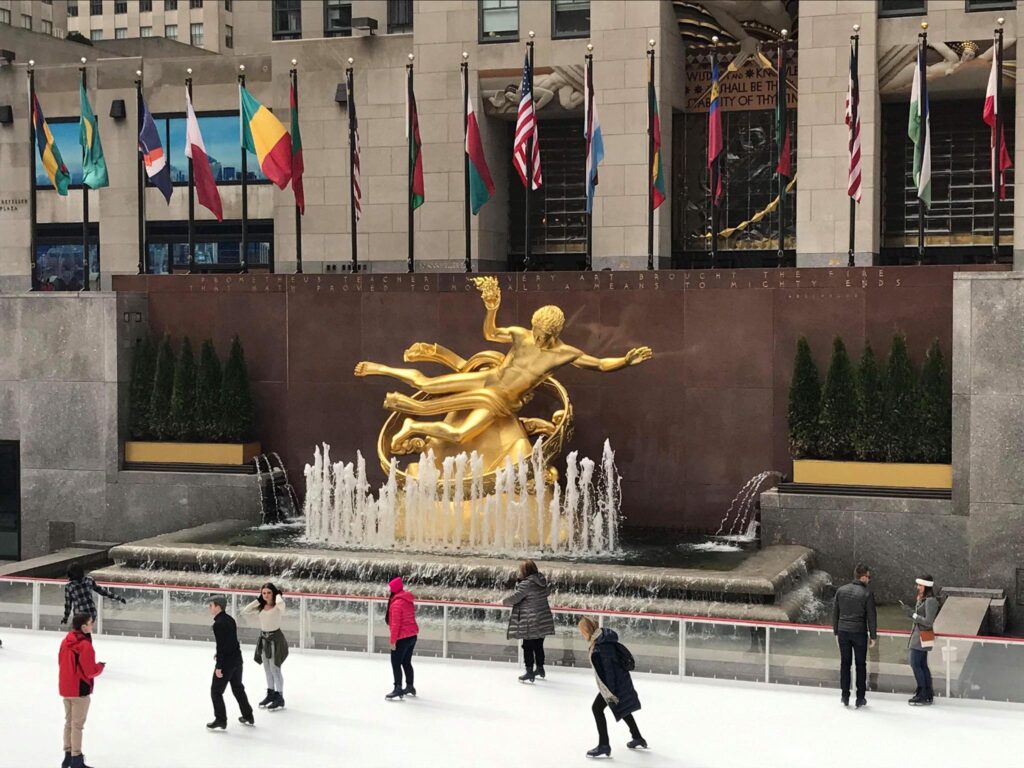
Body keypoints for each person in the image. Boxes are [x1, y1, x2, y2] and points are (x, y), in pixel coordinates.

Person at [578, 617, 647, 759]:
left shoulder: (600, 647)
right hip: (618, 681)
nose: (581, 634)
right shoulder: (601, 639)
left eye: (582, 631)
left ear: (586, 631)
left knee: (597, 709)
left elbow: (608, 670)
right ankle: (637, 737)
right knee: (622, 708)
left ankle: (604, 745)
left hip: (613, 684)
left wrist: (611, 692)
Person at [58, 613, 105, 768]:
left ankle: (68, 756)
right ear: (84, 626)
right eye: (90, 623)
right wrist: (100, 667)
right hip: (80, 689)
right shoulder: (84, 645)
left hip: (66, 687)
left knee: (69, 723)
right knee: (77, 725)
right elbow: (90, 671)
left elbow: (61, 662)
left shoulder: (66, 641)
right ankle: (76, 758)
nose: (92, 625)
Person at [832, 563, 878, 708]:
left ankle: (845, 696)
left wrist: (836, 632)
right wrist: (873, 635)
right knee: (860, 665)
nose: (869, 580)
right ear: (863, 577)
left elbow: (835, 613)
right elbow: (872, 617)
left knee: (845, 664)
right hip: (859, 632)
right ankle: (860, 698)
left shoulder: (841, 590)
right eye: (869, 577)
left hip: (843, 632)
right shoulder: (867, 593)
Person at [502, 559, 555, 682]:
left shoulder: (527, 584)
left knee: (527, 646)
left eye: (521, 570)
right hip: (542, 619)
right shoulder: (541, 581)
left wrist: (503, 602)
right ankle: (540, 669)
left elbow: (516, 597)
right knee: (538, 645)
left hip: (530, 620)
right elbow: (545, 593)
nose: (519, 572)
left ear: (525, 571)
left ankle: (529, 671)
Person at [207, 595, 254, 729]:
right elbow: (231, 642)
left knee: (216, 691)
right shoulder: (230, 620)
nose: (209, 608)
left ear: (218, 606)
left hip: (227, 663)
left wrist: (219, 666)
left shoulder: (218, 624)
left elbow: (221, 646)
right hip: (237, 661)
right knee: (238, 688)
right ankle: (248, 715)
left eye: (211, 605)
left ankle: (221, 719)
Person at [242, 583, 289, 711]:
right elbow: (246, 610)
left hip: (275, 639)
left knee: (275, 669)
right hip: (264, 639)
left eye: (269, 592)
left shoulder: (277, 606)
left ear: (273, 593)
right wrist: (258, 600)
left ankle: (280, 696)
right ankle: (271, 693)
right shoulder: (261, 606)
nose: (266, 595)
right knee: (267, 669)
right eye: (264, 593)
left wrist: (278, 595)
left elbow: (282, 606)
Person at [901, 575, 940, 706]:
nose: (917, 588)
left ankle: (923, 692)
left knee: (915, 664)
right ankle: (926, 692)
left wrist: (912, 614)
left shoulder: (930, 601)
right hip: (920, 636)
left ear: (926, 586)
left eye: (920, 585)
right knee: (921, 664)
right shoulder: (923, 600)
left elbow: (928, 622)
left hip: (922, 637)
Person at [384, 576, 419, 700]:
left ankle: (398, 688)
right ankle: (410, 686)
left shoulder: (396, 604)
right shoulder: (407, 599)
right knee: (406, 662)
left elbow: (395, 625)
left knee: (396, 663)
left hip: (402, 638)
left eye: (390, 589)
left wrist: (393, 641)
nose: (389, 591)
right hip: (412, 636)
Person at [62, 563, 126, 624]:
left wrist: (65, 617)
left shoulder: (69, 586)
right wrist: (118, 597)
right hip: (91, 613)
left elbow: (68, 605)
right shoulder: (89, 580)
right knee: (85, 631)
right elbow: (102, 591)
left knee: (76, 632)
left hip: (79, 615)